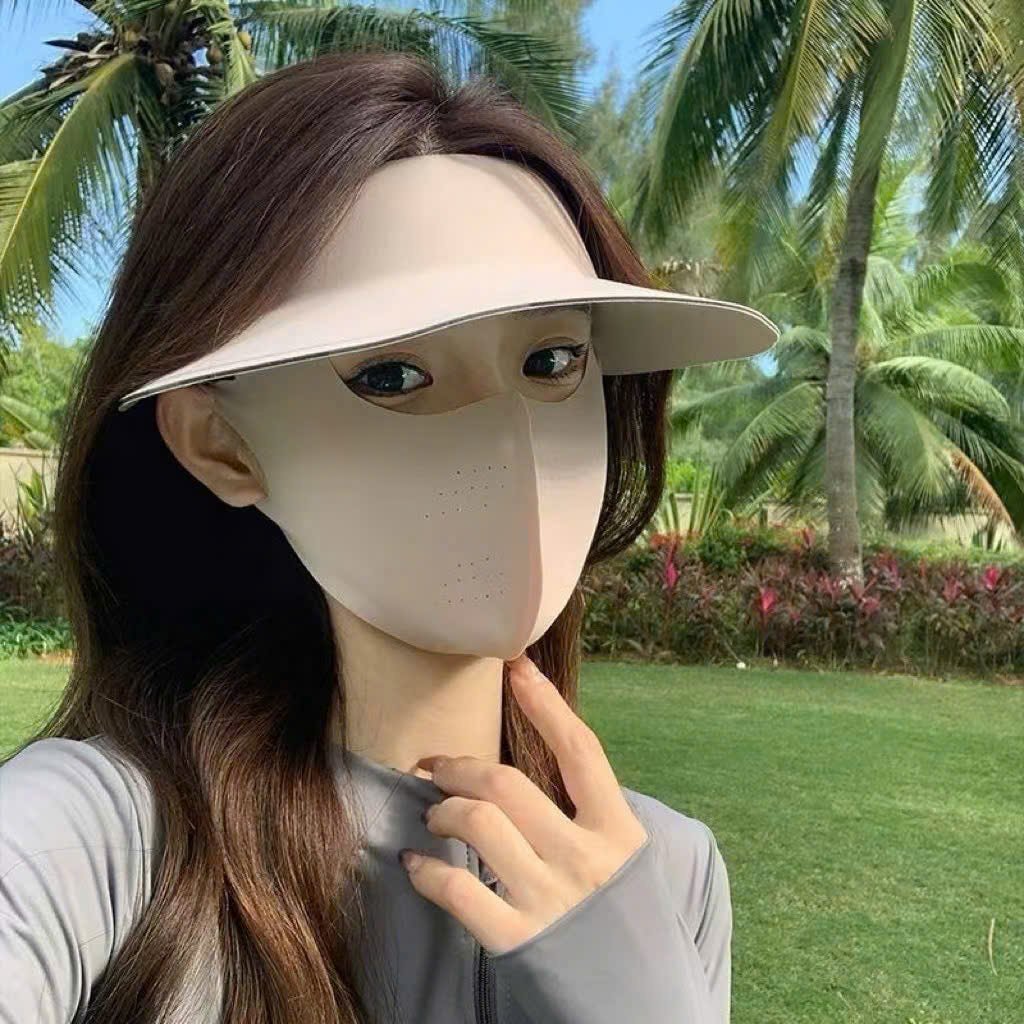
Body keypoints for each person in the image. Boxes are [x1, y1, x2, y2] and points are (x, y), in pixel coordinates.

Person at [0, 50, 776, 1024]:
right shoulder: (92, 845)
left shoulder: (671, 872)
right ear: (223, 444)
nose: (509, 442)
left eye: (551, 361)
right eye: (394, 376)